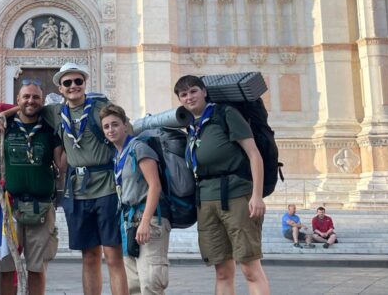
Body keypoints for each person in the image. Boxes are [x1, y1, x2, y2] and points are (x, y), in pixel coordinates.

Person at [0, 62, 128, 295]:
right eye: (68, 82)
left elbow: (126, 131)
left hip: (106, 187)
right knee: (89, 256)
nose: (73, 86)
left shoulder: (101, 108)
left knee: (113, 255)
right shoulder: (54, 112)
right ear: (60, 88)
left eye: (78, 81)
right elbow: (28, 107)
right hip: (77, 190)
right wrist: (2, 116)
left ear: (85, 83)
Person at [175, 75, 269, 295]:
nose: (189, 97)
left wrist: (257, 195)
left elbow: (254, 154)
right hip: (206, 200)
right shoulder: (191, 126)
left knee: (249, 267)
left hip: (236, 196)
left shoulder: (225, 114)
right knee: (222, 271)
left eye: (193, 91)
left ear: (204, 91)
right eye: (183, 94)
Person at [0, 79, 63, 295]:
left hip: (42, 207)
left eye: (36, 97)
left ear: (42, 100)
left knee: (37, 269)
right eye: (26, 97)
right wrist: (4, 115)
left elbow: (61, 164)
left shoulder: (50, 129)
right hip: (8, 207)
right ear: (17, 100)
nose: (31, 101)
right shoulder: (3, 126)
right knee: (7, 268)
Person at [100, 104, 170, 295]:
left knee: (150, 283)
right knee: (134, 286)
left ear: (125, 125)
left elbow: (155, 186)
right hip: (129, 223)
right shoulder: (117, 154)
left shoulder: (139, 148)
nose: (110, 130)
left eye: (115, 124)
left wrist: (146, 222)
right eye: (106, 127)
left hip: (149, 220)